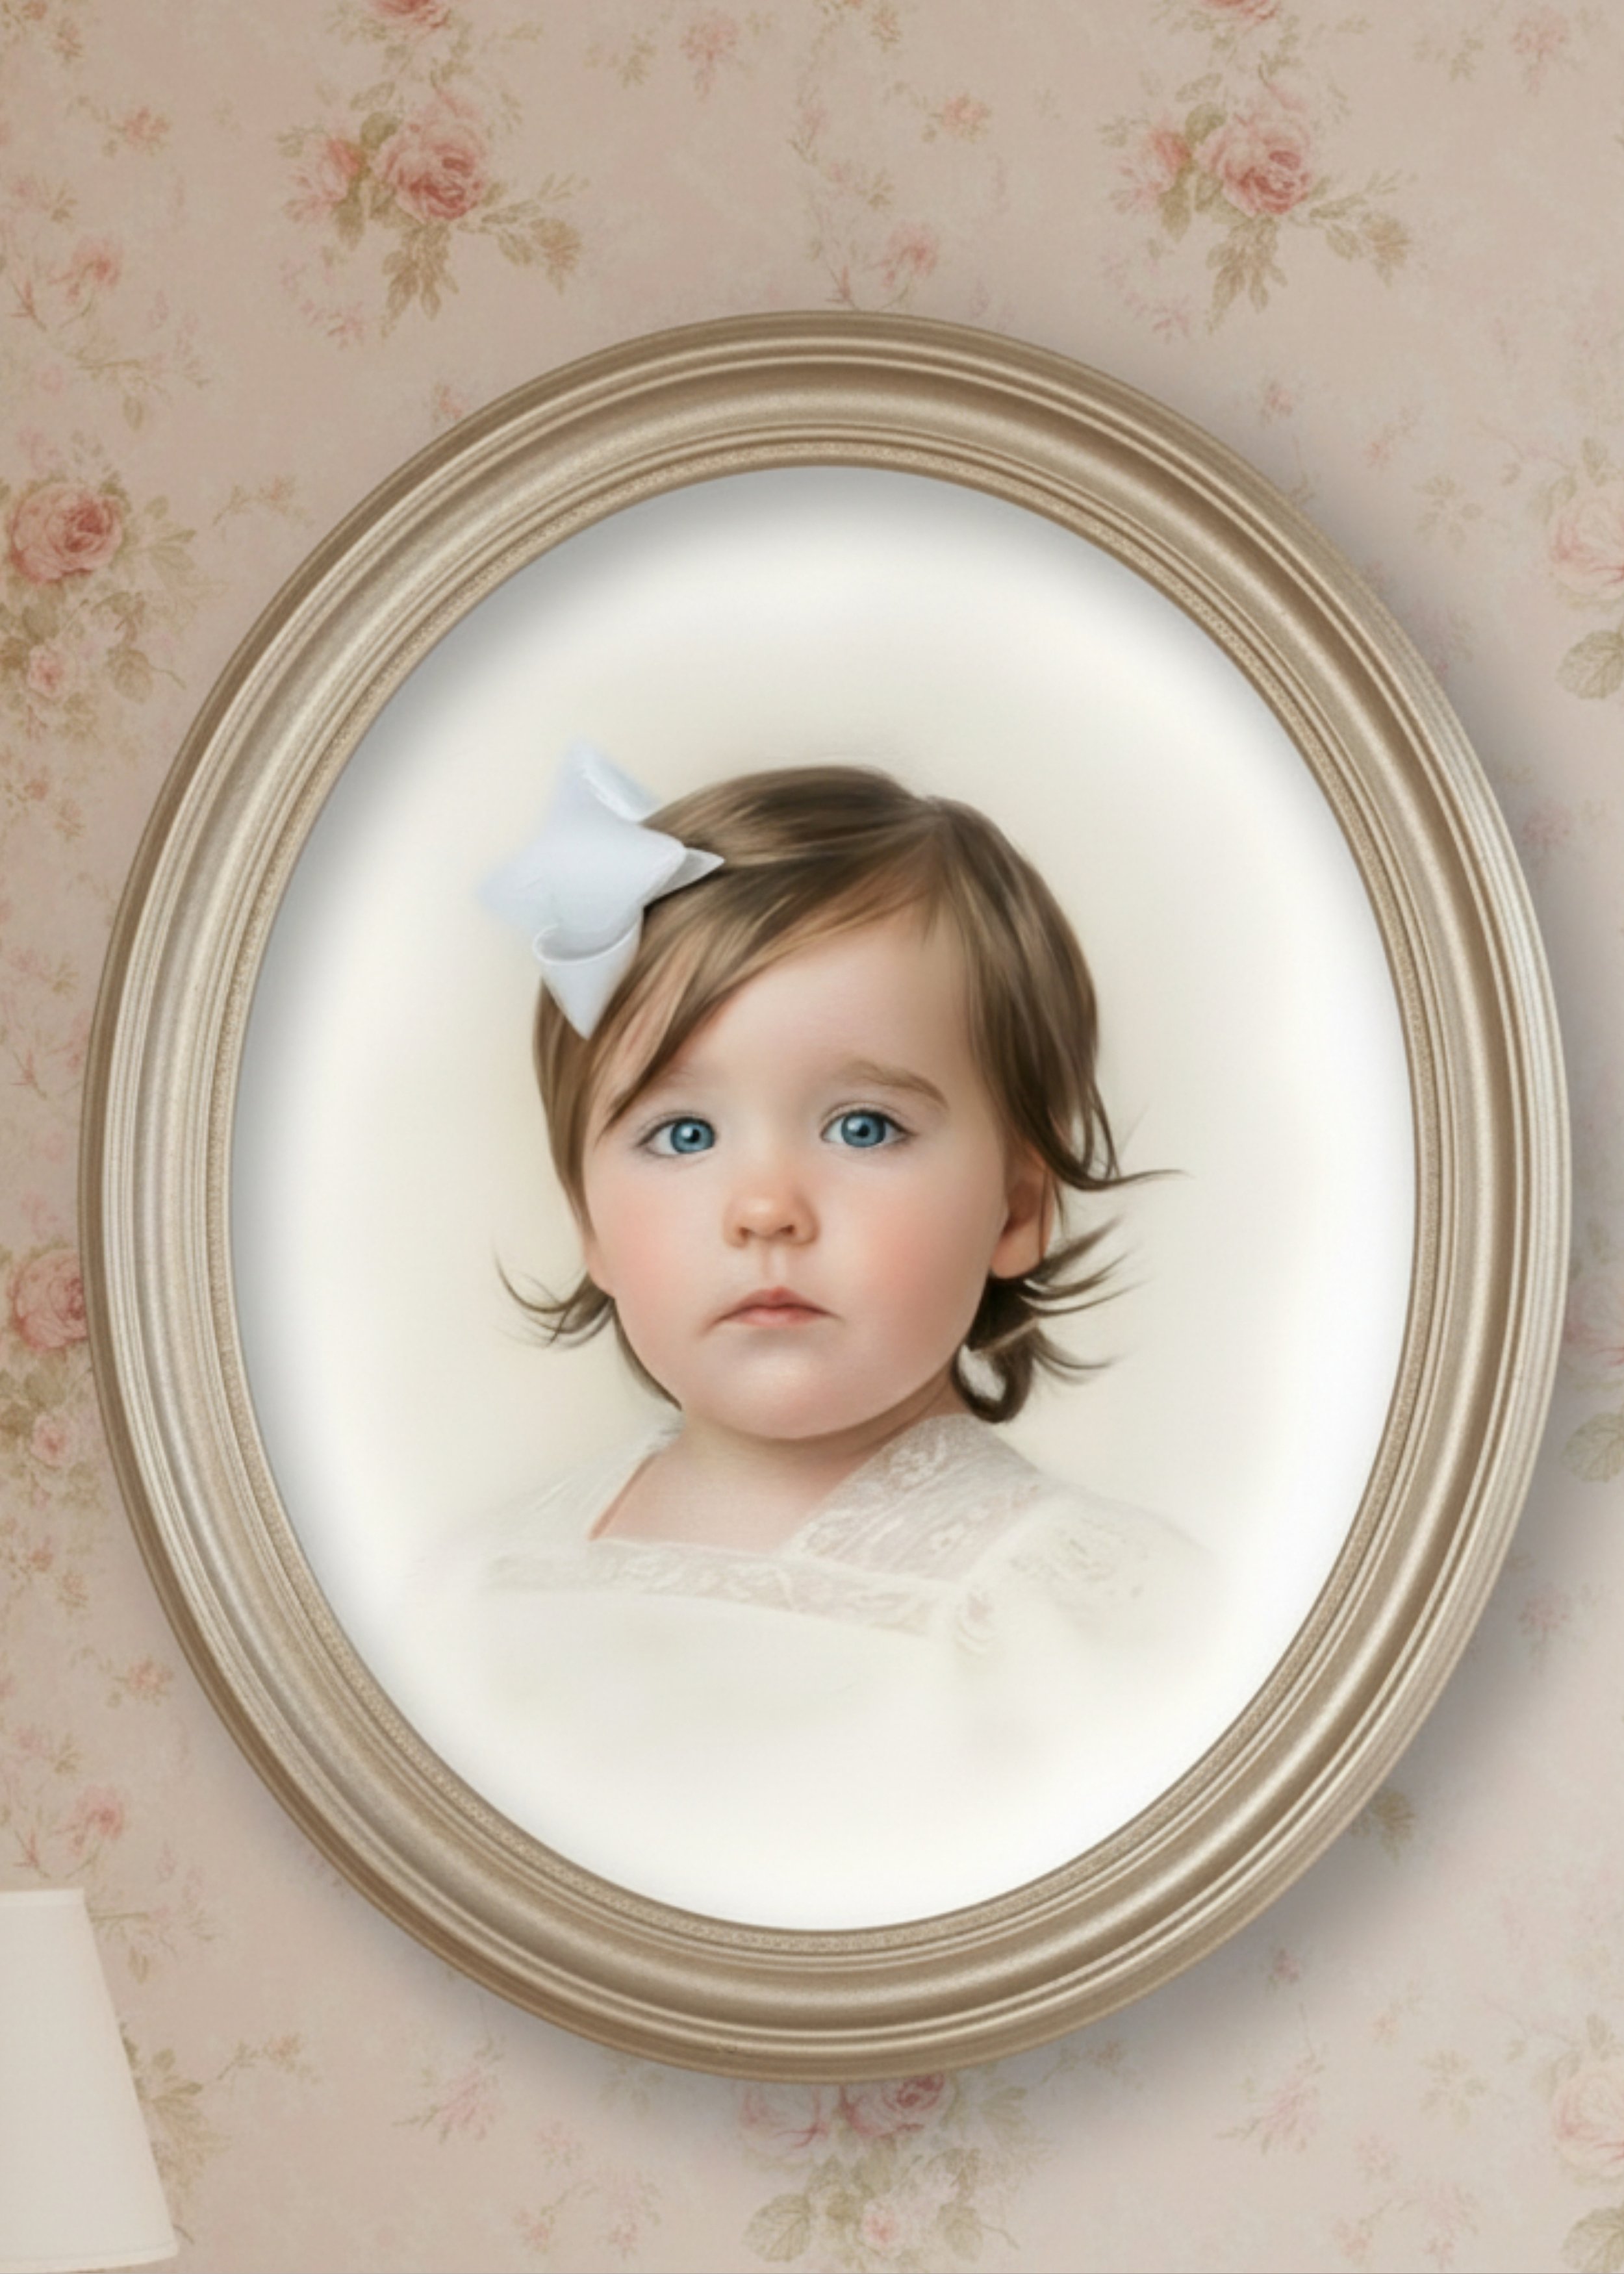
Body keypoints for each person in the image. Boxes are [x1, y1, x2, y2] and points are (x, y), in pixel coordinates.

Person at [394, 750, 1215, 1925]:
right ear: (590, 1222)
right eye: (682, 1136)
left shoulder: (1076, 1614)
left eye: (864, 1123)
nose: (766, 1205)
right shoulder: (472, 1594)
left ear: (1019, 1205)